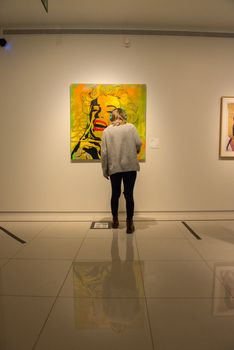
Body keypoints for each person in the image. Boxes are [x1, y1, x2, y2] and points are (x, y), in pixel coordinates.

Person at [101, 108, 142, 234]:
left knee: (115, 194)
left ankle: (115, 221)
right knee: (129, 195)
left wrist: (105, 170)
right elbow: (138, 144)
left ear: (112, 117)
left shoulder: (107, 131)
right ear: (124, 116)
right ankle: (129, 225)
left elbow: (104, 153)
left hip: (115, 167)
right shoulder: (131, 128)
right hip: (130, 167)